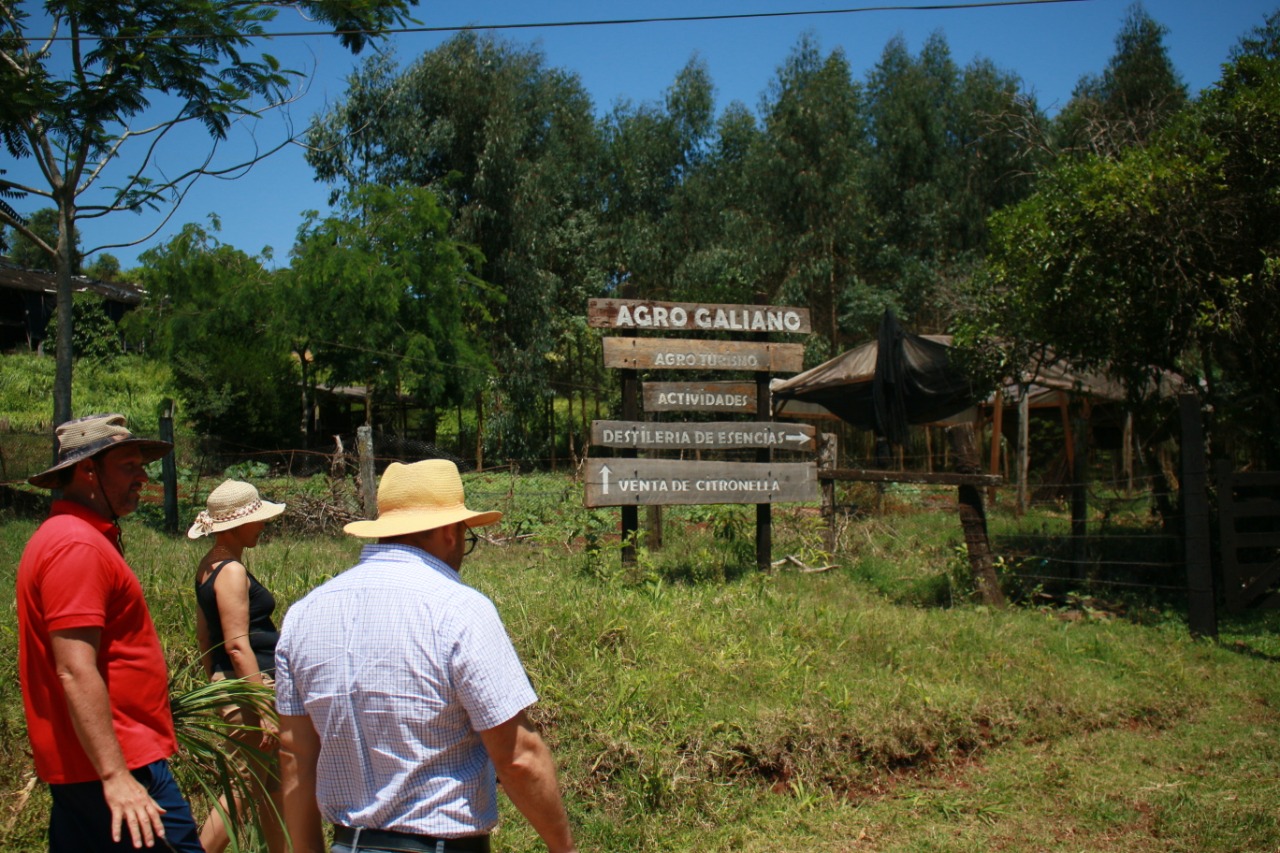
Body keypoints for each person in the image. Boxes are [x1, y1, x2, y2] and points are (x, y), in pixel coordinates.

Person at [275, 459, 577, 853]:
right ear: (451, 532)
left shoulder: (304, 615)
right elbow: (517, 755)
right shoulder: (459, 609)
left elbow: (295, 756)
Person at [16, 413, 204, 852]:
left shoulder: (74, 536)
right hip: (116, 762)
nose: (143, 476)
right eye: (128, 466)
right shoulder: (75, 545)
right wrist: (116, 776)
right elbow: (74, 669)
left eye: (142, 465)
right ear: (87, 471)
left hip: (94, 762)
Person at [189, 479, 288, 853]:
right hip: (250, 687)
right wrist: (260, 704)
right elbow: (234, 643)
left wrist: (214, 684)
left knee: (273, 785)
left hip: (235, 685)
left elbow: (204, 639)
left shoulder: (207, 566)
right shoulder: (230, 571)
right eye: (257, 520)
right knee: (244, 785)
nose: (262, 526)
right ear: (235, 525)